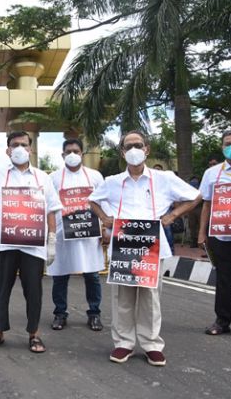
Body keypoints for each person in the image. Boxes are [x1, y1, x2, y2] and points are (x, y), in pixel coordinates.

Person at [90, 130, 201, 366]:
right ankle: (123, 343)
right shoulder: (112, 182)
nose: (133, 150)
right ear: (122, 152)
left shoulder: (165, 178)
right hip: (124, 245)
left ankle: (151, 344)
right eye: (128, 146)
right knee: (123, 297)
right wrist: (105, 218)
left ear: (146, 149)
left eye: (137, 145)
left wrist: (172, 215)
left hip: (152, 245)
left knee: (150, 297)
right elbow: (92, 200)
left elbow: (195, 196)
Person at [0, 131, 61, 353]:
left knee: (33, 290)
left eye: (24, 145)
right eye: (14, 145)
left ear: (31, 149)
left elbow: (51, 210)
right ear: (7, 150)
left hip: (33, 245)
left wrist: (51, 240)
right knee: (0, 289)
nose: (19, 148)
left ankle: (34, 334)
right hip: (4, 243)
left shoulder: (43, 177)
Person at [198, 129, 231, 336]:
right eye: (227, 143)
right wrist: (201, 233)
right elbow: (206, 204)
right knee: (223, 278)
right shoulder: (211, 174)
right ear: (222, 148)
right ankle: (222, 321)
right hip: (221, 234)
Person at [48, 139, 105, 332]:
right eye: (68, 151)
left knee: (92, 275)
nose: (72, 154)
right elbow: (47, 206)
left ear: (82, 154)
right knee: (60, 275)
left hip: (89, 233)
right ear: (62, 155)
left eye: (76, 151)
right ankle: (60, 314)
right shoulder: (53, 178)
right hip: (63, 234)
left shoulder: (95, 177)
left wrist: (105, 228)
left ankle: (94, 313)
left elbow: (103, 202)